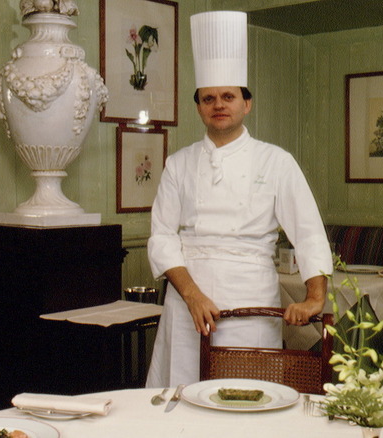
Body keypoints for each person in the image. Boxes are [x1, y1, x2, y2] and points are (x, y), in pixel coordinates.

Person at [145, 11, 333, 388]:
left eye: (228, 96)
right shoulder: (178, 164)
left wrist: (315, 298)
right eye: (209, 98)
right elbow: (162, 238)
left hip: (252, 298)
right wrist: (193, 296)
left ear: (247, 104)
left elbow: (309, 232)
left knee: (247, 397)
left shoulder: (276, 161)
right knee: (181, 396)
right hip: (188, 302)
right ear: (198, 106)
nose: (219, 104)